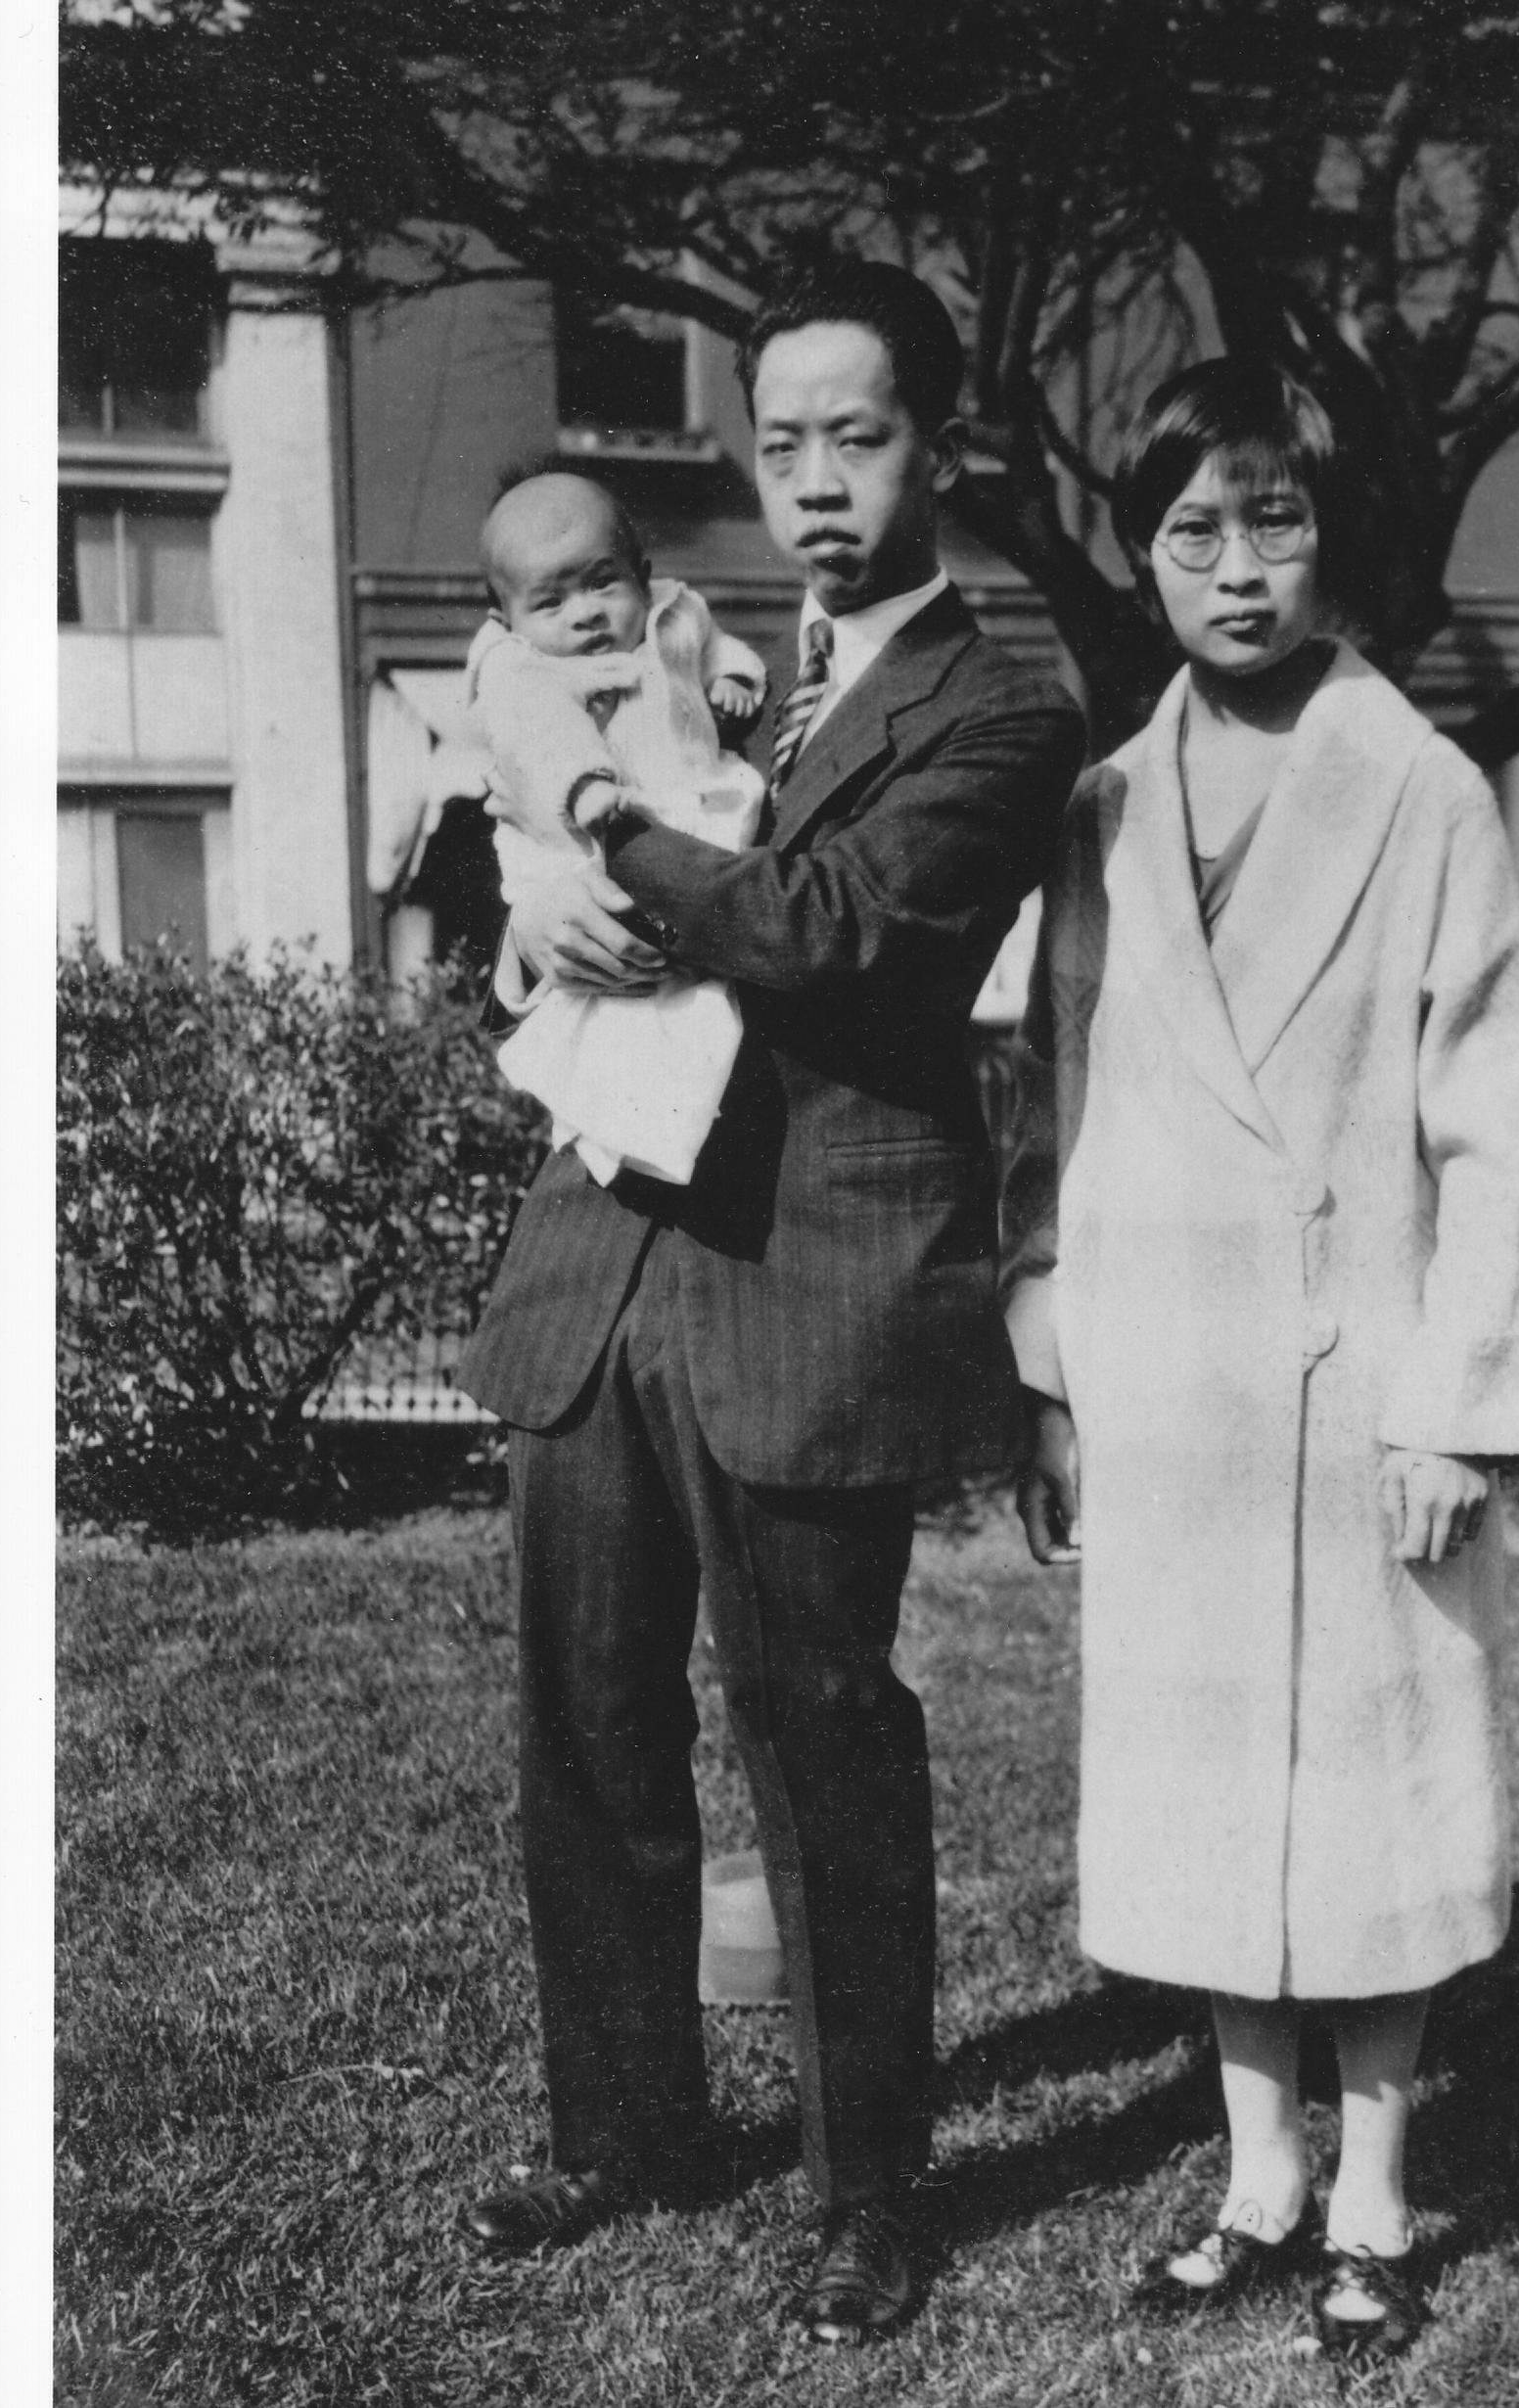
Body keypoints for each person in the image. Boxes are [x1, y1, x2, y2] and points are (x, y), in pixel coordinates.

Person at [457, 260, 1084, 2344]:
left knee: (819, 1731)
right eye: (785, 438)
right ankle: (626, 2127)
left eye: (865, 437)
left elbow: (826, 932)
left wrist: (597, 822)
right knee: (587, 1717)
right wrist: (528, 902)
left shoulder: (999, 705)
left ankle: (866, 2182)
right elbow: (538, 889)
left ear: (944, 449)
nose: (817, 480)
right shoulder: (695, 655)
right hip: (603, 1249)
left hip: (807, 1273)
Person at [1004, 357, 1519, 2361]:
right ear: (1142, 554)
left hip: (1364, 1385)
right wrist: (1060, 1369)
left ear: (1331, 541)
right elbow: (1053, 1105)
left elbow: (1497, 1117)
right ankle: (1256, 2173)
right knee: (1200, 1796)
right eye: (1192, 532)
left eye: (1276, 524)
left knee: (1370, 1795)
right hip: (1177, 1385)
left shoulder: (1418, 789)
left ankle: (1380, 2191)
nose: (1237, 570)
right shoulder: (1103, 805)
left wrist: (1459, 1407)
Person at [469, 468, 768, 1184]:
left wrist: (736, 683)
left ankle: (663, 1118)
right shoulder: (517, 670)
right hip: (581, 831)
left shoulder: (676, 615)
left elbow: (719, 649)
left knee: (673, 1000)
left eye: (604, 584)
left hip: (694, 815)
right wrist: (586, 784)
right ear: (505, 619)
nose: (586, 614)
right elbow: (541, 737)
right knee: (610, 1013)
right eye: (551, 601)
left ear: (646, 576)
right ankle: (623, 1130)